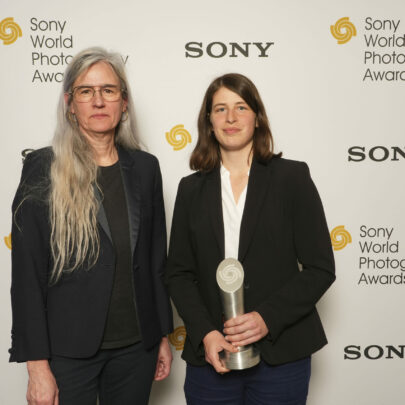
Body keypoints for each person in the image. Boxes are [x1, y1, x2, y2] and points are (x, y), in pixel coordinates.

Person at [10, 47, 173, 405]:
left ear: (124, 102)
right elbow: (27, 276)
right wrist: (37, 367)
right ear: (70, 103)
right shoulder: (42, 168)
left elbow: (155, 261)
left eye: (109, 90)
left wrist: (162, 333)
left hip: (136, 350)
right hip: (68, 352)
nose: (98, 101)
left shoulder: (146, 169)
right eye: (86, 91)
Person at [166, 73, 335, 404]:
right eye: (220, 109)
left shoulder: (292, 178)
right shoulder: (190, 190)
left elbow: (320, 268)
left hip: (281, 354)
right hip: (211, 357)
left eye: (241, 107)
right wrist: (207, 334)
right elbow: (178, 274)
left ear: (257, 118)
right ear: (209, 122)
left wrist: (265, 319)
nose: (231, 118)